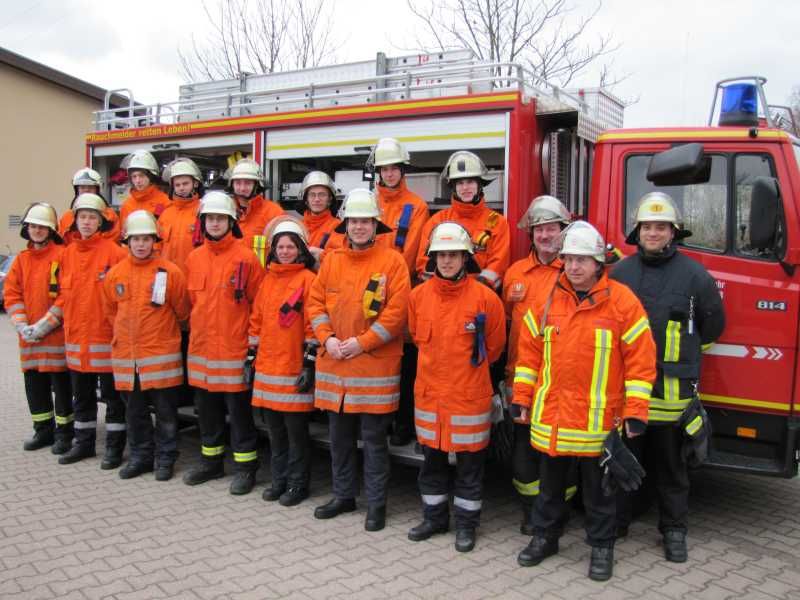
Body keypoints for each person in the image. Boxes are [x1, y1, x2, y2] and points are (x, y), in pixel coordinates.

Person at [513, 221, 656, 581]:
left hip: (598, 424)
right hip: (553, 419)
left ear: (599, 263)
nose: (574, 267)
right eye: (569, 260)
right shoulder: (547, 301)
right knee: (549, 490)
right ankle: (545, 538)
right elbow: (529, 357)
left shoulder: (623, 303)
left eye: (582, 260)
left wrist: (636, 412)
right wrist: (521, 399)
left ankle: (602, 548)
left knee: (600, 495)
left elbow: (641, 361)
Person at [610, 192, 725, 562]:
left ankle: (674, 531)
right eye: (647, 226)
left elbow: (712, 325)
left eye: (661, 227)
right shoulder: (620, 274)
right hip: (629, 396)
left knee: (673, 471)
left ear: (673, 232)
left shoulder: (695, 276)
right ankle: (618, 522)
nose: (653, 233)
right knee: (623, 464)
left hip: (673, 399)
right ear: (637, 231)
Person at [307, 188, 410, 532]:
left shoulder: (392, 262)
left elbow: (397, 315)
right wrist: (328, 339)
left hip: (373, 369)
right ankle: (343, 495)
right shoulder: (332, 261)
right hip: (336, 366)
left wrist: (362, 343)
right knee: (339, 440)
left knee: (374, 442)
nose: (359, 227)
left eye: (366, 220)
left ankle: (376, 505)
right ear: (345, 224)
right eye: (354, 221)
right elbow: (315, 304)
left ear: (375, 224)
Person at [407, 222, 505, 552]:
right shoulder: (418, 297)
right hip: (430, 397)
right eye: (441, 255)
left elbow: (494, 349)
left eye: (453, 255)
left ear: (466, 258)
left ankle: (466, 526)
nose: (447, 261)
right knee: (431, 465)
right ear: (432, 259)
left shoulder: (486, 300)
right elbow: (414, 338)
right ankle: (434, 519)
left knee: (470, 469)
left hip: (468, 399)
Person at [182, 191, 265, 495]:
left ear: (231, 221)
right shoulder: (194, 258)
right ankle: (211, 462)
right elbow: (191, 304)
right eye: (209, 218)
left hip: (233, 352)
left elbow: (259, 304)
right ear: (202, 222)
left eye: (219, 218)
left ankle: (246, 469)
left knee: (240, 415)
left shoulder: (245, 258)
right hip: (202, 353)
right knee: (207, 412)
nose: (214, 223)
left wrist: (251, 347)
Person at [102, 210, 191, 481]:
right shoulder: (115, 274)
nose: (141, 244)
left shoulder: (171, 273)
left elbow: (183, 312)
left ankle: (165, 458)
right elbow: (110, 313)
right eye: (136, 239)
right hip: (128, 360)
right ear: (127, 242)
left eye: (146, 239)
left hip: (160, 358)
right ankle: (141, 457)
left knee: (165, 413)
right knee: (135, 413)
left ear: (156, 241)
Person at [504, 195, 573, 534]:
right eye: (539, 229)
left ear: (564, 231)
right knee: (523, 448)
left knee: (559, 449)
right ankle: (531, 509)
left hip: (561, 381)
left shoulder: (576, 270)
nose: (545, 236)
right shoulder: (516, 273)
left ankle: (558, 508)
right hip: (522, 378)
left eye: (551, 228)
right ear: (531, 235)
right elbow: (504, 321)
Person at [55, 193, 128, 468]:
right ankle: (83, 444)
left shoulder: (117, 254)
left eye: (92, 217)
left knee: (112, 399)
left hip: (106, 342)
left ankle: (114, 449)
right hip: (76, 343)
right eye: (82, 217)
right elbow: (62, 296)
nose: (86, 222)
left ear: (101, 222)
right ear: (75, 221)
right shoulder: (67, 255)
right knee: (82, 398)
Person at [250, 216, 318, 506]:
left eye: (291, 246)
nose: (285, 251)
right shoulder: (267, 281)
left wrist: (309, 364)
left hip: (292, 371)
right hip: (267, 370)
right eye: (281, 246)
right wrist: (250, 358)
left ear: (301, 249)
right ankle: (279, 480)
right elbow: (256, 323)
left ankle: (298, 484)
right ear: (273, 249)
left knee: (296, 435)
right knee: (275, 434)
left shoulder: (309, 281)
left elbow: (313, 326)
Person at [369, 137, 431, 447]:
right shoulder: (368, 202)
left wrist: (392, 284)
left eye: (394, 168)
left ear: (402, 170)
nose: (390, 173)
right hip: (365, 292)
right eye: (384, 169)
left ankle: (403, 422)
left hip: (400, 292)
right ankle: (377, 424)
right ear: (377, 172)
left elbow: (415, 251)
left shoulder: (416, 206)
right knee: (371, 361)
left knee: (403, 363)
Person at [4, 203, 72, 454]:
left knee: (62, 387)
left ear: (51, 230)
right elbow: (11, 294)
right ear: (27, 229)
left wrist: (46, 323)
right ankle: (43, 430)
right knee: (35, 387)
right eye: (33, 226)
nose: (37, 231)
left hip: (55, 335)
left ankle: (65, 433)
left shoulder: (63, 255)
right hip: (30, 339)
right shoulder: (21, 260)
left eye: (42, 227)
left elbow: (67, 294)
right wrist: (22, 325)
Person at [416, 150, 509, 292]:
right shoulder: (437, 221)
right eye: (460, 183)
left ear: (480, 185)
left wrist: (474, 291)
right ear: (453, 187)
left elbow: (498, 266)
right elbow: (424, 264)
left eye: (470, 181)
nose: (465, 188)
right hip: (442, 296)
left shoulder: (497, 222)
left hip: (480, 296)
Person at [225, 158, 283, 265]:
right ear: (232, 185)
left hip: (262, 278)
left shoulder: (273, 212)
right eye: (238, 183)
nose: (242, 188)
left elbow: (284, 250)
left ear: (257, 185)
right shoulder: (225, 211)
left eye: (247, 183)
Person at [158, 158, 204, 275]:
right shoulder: (165, 214)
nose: (181, 188)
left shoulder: (203, 211)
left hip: (193, 276)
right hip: (167, 276)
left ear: (195, 183)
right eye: (177, 185)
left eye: (185, 183)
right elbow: (157, 246)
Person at [59, 168, 121, 244]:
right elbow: (63, 243)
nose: (86, 191)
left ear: (97, 190)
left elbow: (112, 241)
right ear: (77, 190)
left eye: (91, 187)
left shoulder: (110, 216)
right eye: (82, 187)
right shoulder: (67, 217)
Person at [298, 170, 341, 265]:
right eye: (312, 195)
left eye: (322, 194)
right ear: (306, 200)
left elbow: (340, 259)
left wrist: (320, 253)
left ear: (330, 199)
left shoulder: (338, 227)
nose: (317, 199)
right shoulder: (297, 227)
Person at [119, 150, 170, 223]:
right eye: (134, 176)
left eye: (141, 175)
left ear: (150, 176)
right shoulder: (127, 205)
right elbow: (123, 232)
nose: (138, 181)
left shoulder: (164, 201)